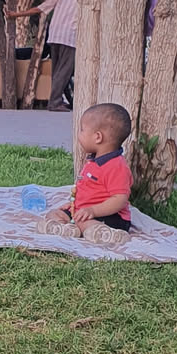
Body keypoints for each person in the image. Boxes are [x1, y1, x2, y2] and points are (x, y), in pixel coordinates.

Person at [42, 103, 134, 247]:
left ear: (97, 137)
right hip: (83, 211)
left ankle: (105, 233)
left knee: (84, 222)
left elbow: (120, 199)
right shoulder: (94, 161)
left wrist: (93, 210)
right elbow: (88, 190)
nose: (79, 134)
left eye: (82, 130)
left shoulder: (116, 166)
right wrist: (74, 204)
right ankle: (65, 229)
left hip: (110, 216)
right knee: (54, 214)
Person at [15, 0, 78, 109]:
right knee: (64, 71)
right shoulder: (83, 1)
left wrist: (16, 14)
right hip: (70, 38)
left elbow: (38, 9)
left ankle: (57, 99)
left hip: (54, 37)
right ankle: (55, 102)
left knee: (56, 70)